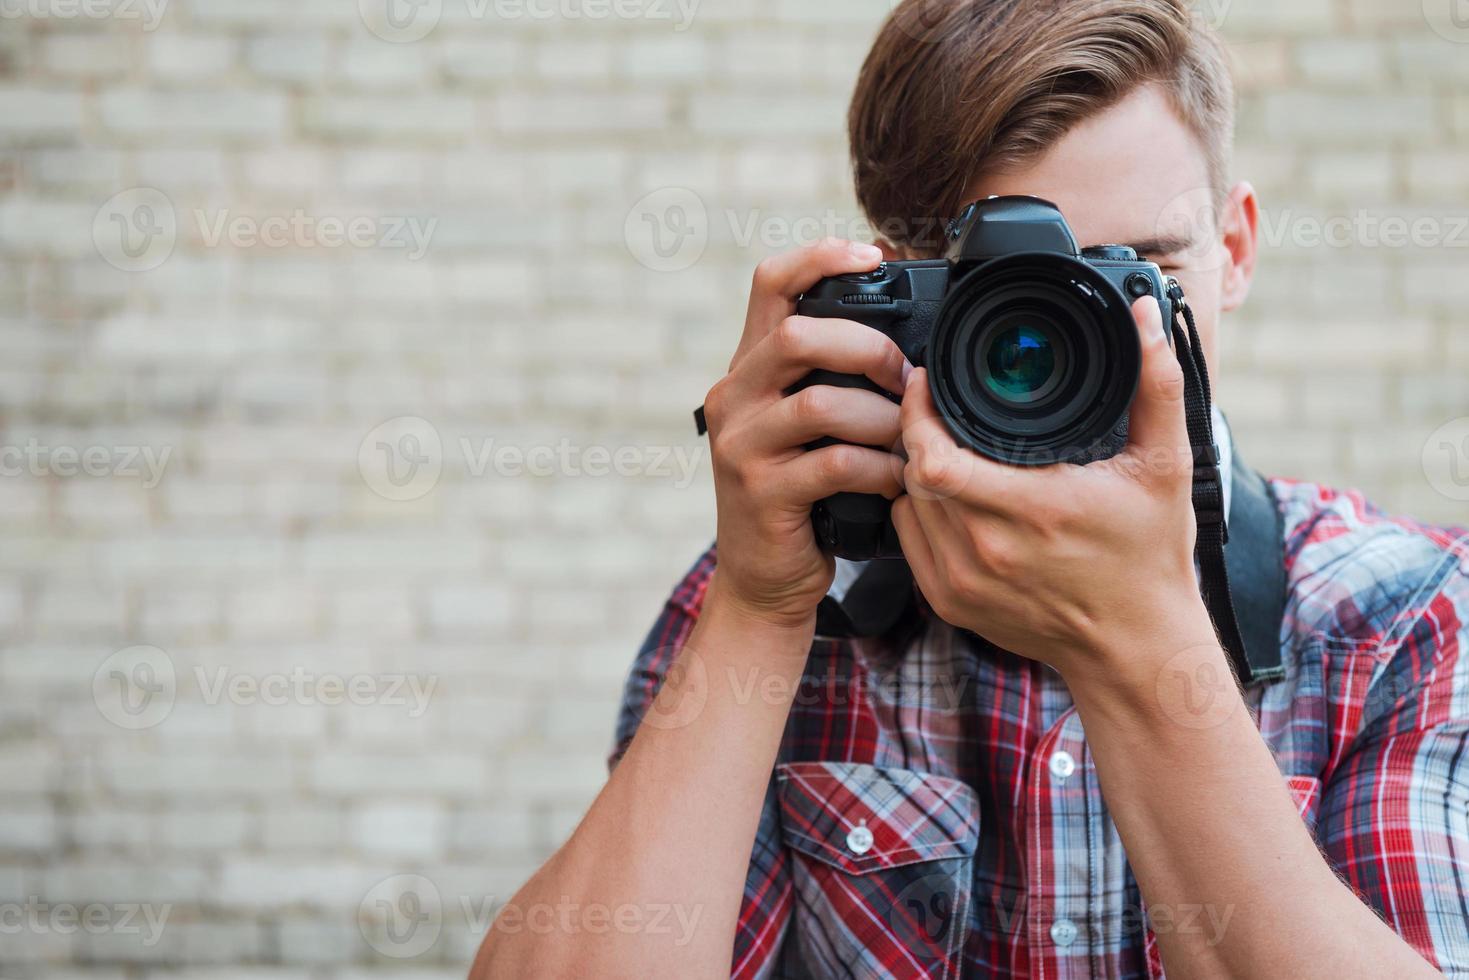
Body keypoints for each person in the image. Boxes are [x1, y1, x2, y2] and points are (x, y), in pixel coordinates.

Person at [471, 1, 1468, 976]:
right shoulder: (783, 596)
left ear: (1234, 250)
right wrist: (757, 605)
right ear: (893, 291)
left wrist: (1140, 641)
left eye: (1136, 275)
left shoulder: (1395, 618)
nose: (1078, 342)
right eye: (1008, 297)